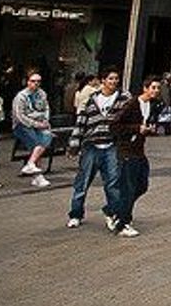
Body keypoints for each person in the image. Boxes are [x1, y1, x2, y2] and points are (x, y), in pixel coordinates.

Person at [67, 67, 129, 230]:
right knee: (82, 181)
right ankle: (75, 213)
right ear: (102, 81)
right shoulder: (92, 99)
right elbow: (81, 121)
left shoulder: (124, 99)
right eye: (110, 79)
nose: (114, 82)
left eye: (116, 78)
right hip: (91, 145)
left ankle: (113, 214)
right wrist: (74, 144)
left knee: (113, 182)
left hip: (112, 145)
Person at [110, 77, 160, 237]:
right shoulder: (132, 104)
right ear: (145, 88)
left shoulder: (151, 105)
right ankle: (123, 223)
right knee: (129, 187)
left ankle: (112, 209)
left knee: (142, 185)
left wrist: (148, 129)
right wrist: (137, 128)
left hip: (139, 150)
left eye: (158, 88)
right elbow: (115, 125)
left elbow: (144, 124)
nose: (156, 91)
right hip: (127, 150)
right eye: (153, 88)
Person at [11, 71, 53, 187]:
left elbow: (46, 109)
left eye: (38, 81)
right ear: (27, 82)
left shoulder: (42, 94)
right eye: (33, 81)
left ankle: (31, 165)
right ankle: (38, 176)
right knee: (37, 144)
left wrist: (45, 121)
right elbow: (20, 116)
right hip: (23, 125)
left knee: (46, 136)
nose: (36, 84)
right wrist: (36, 124)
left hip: (39, 123)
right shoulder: (21, 97)